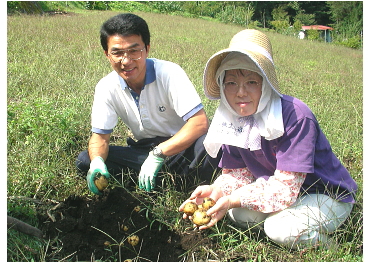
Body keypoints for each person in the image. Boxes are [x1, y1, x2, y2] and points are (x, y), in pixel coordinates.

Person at [179, 29, 357, 250]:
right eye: (231, 82)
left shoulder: (295, 116)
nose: (240, 92)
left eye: (251, 82)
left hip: (323, 193)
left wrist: (234, 199)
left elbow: (285, 188)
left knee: (281, 230)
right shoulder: (231, 119)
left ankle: (336, 249)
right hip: (279, 191)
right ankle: (282, 220)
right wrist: (216, 192)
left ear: (266, 84)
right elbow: (237, 174)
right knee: (238, 214)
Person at [76, 13, 221, 194]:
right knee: (86, 160)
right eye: (117, 53)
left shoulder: (169, 73)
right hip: (145, 150)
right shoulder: (106, 87)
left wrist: (159, 154)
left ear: (147, 49)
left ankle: (163, 181)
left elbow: (199, 123)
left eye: (134, 51)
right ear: (107, 54)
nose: (126, 61)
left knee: (216, 144)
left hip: (185, 148)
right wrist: (97, 162)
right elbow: (100, 138)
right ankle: (177, 181)